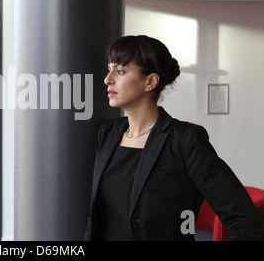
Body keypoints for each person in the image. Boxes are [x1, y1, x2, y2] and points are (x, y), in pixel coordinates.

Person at [84, 35, 264, 241]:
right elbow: (96, 219)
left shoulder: (185, 140)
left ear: (150, 81)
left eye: (121, 71)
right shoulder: (107, 134)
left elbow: (247, 221)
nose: (107, 79)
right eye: (109, 69)